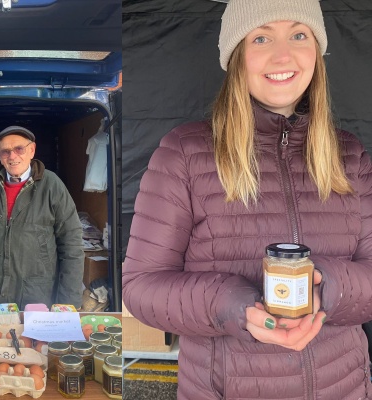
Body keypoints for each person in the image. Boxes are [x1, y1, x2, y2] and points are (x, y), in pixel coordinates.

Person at [122, 1, 372, 398]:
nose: (283, 55)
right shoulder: (185, 154)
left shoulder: (351, 156)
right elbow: (141, 288)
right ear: (236, 55)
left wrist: (330, 290)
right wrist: (233, 306)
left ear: (317, 51)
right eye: (261, 37)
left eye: (299, 34)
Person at [0, 126, 85, 309]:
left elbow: (72, 245)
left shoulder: (52, 186)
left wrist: (69, 300)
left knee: (34, 338)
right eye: (5, 151)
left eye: (19, 149)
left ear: (32, 150)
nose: (12, 157)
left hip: (36, 293)